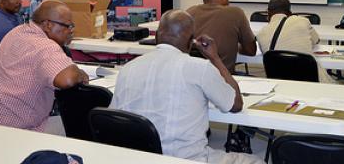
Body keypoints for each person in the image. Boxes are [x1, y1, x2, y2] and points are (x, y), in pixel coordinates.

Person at [110, 10, 262, 164]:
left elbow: (114, 118)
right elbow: (236, 104)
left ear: (156, 37)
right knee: (257, 161)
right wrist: (214, 57)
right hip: (187, 160)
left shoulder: (128, 68)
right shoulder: (200, 68)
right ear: (191, 42)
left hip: (136, 159)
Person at [0, 0, 89, 132]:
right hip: (13, 129)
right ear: (48, 25)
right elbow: (67, 79)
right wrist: (80, 74)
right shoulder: (45, 46)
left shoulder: (17, 32)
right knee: (80, 127)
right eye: (68, 26)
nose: (71, 31)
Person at [256, 0, 333, 83]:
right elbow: (316, 41)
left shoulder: (261, 34)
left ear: (268, 13)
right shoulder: (302, 21)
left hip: (280, 84)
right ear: (290, 13)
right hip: (312, 82)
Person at [187, 0, 256, 73]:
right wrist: (238, 47)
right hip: (223, 78)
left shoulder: (189, 12)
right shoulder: (235, 13)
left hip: (193, 76)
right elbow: (251, 50)